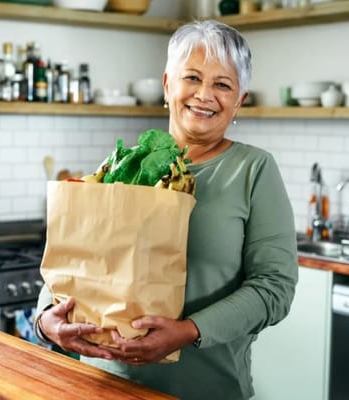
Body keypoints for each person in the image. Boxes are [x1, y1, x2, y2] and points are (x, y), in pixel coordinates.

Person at [35, 19, 298, 400]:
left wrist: (189, 330)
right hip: (99, 384)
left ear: (239, 100)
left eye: (222, 84)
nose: (204, 94)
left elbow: (275, 288)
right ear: (167, 85)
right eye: (192, 77)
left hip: (202, 389)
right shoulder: (123, 163)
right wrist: (46, 322)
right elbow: (73, 259)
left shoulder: (253, 170)